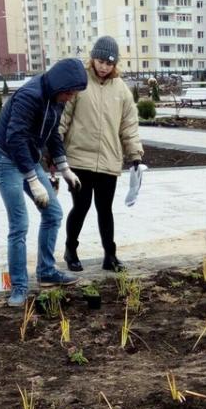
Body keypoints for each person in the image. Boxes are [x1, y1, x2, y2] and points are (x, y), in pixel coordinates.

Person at [0, 58, 88, 306]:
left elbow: (52, 132)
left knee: (53, 213)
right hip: (5, 158)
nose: (71, 97)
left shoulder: (57, 99)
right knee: (19, 224)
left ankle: (46, 272)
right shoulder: (29, 96)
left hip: (27, 156)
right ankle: (19, 286)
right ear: (59, 86)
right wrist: (32, 180)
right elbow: (15, 137)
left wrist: (64, 168)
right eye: (70, 92)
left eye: (74, 93)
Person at [58, 36, 144, 273]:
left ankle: (110, 255)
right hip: (79, 159)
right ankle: (70, 250)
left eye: (109, 63)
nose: (103, 66)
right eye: (99, 61)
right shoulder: (79, 82)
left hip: (108, 160)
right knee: (81, 206)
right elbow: (63, 118)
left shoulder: (122, 91)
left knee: (105, 210)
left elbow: (129, 126)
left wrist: (134, 154)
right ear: (93, 58)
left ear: (114, 64)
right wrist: (54, 150)